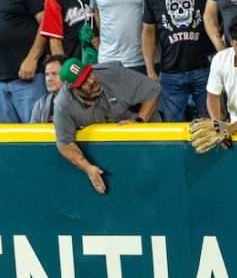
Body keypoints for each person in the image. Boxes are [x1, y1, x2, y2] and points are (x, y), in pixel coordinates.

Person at [53, 58, 160, 194]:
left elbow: (153, 90)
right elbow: (65, 144)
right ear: (74, 90)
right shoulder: (63, 105)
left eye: (89, 74)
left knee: (151, 186)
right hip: (113, 154)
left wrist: (140, 121)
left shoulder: (113, 73)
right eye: (84, 82)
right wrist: (88, 168)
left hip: (145, 141)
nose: (91, 81)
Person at [142, 0, 215, 121]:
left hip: (205, 69)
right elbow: (148, 32)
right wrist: (150, 70)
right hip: (170, 74)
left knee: (212, 126)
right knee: (173, 131)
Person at [30, 52, 64, 122]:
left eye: (54, 74)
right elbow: (33, 132)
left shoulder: (79, 103)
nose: (49, 79)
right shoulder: (40, 104)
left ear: (67, 75)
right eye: (47, 74)